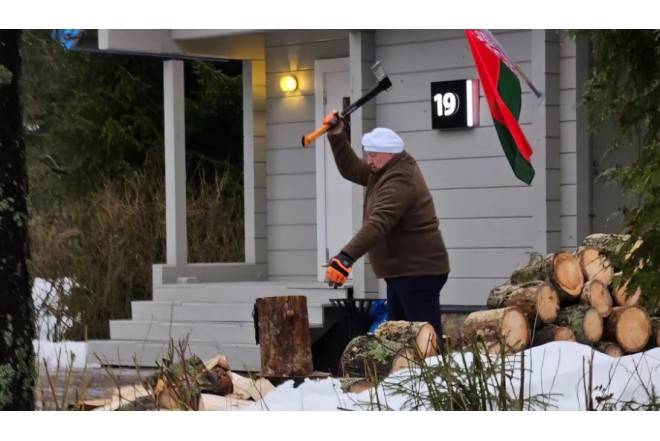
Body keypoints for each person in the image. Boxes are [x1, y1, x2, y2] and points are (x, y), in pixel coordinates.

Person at [322, 114, 450, 341]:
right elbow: (350, 168)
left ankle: (436, 375)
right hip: (402, 272)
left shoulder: (399, 179)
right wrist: (337, 134)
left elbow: (379, 222)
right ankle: (409, 377)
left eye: (373, 155)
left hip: (419, 271)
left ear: (390, 153)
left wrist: (346, 257)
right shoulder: (382, 171)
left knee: (425, 342)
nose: (368, 160)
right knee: (400, 342)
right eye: (367, 154)